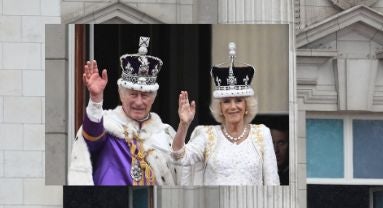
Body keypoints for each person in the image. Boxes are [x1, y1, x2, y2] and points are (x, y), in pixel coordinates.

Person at [69, 37, 177, 186]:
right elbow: (91, 136)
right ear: (121, 95)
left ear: (153, 98)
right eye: (133, 94)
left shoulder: (166, 135)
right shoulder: (108, 125)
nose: (139, 102)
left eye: (145, 95)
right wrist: (95, 99)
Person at [171, 42, 279, 186]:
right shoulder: (206, 135)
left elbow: (272, 182)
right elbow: (179, 157)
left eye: (239, 100)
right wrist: (184, 125)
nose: (233, 106)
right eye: (226, 101)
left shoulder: (262, 133)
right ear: (220, 107)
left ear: (246, 105)